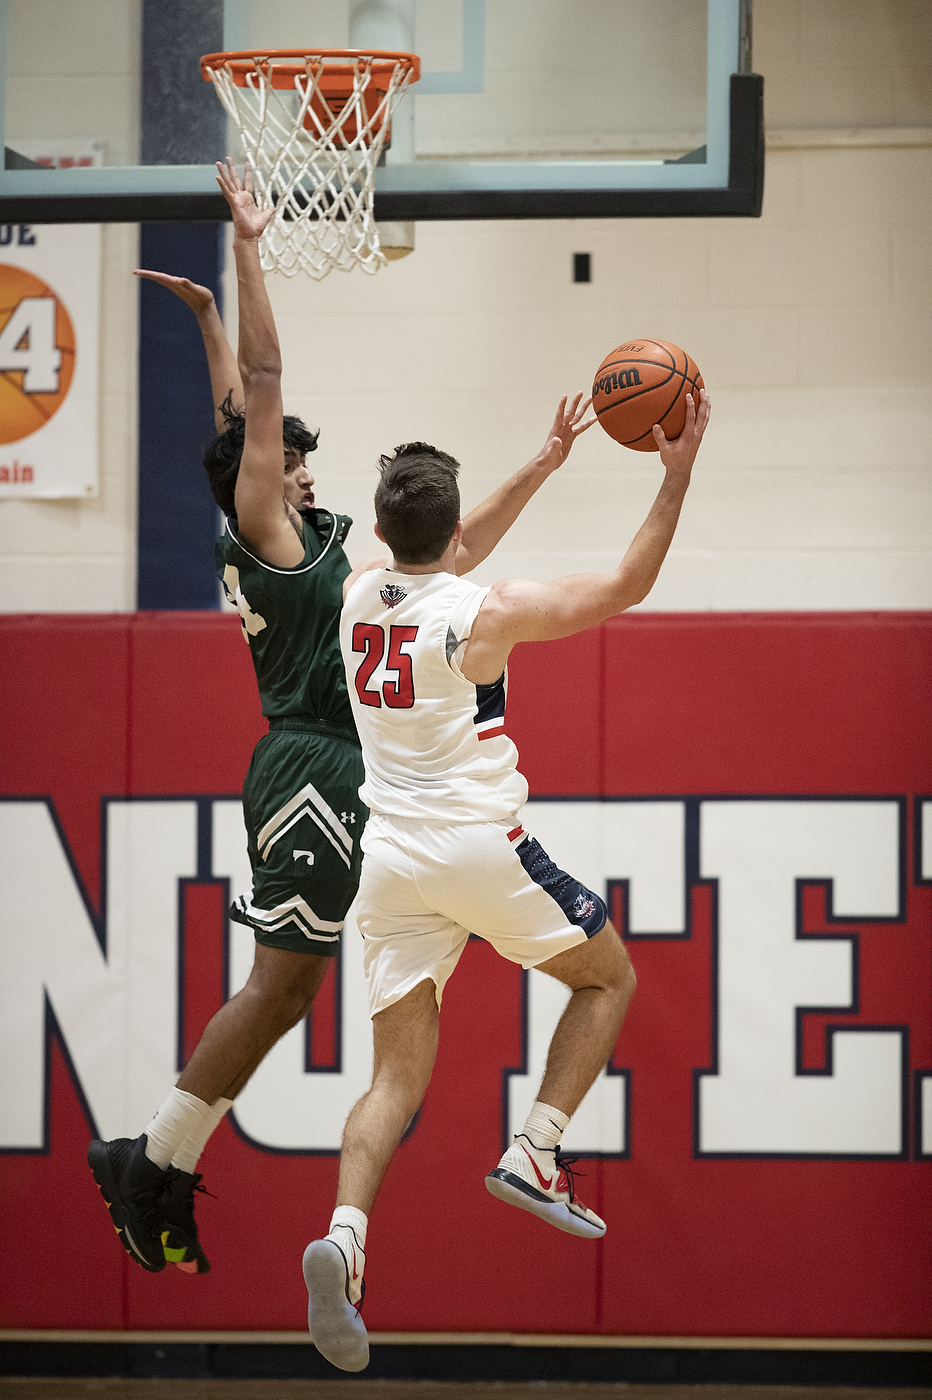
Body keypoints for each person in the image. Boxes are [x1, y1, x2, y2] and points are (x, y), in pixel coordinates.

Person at [86, 160, 594, 1278]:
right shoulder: (267, 525)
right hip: (316, 766)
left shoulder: (297, 537)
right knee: (283, 981)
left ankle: (158, 1155)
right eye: (290, 459)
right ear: (261, 481)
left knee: (294, 980)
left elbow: (252, 419)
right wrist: (251, 248)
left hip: (328, 769)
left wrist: (213, 316)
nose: (304, 470)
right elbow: (261, 397)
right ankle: (152, 1160)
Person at [302, 386, 710, 1370]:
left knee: (393, 1078)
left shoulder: (359, 588)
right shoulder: (486, 612)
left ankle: (345, 1237)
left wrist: (540, 462)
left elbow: (440, 545)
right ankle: (534, 1146)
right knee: (606, 976)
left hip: (390, 861)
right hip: (475, 844)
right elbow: (622, 584)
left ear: (389, 522)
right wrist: (676, 469)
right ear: (451, 532)